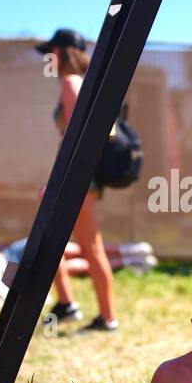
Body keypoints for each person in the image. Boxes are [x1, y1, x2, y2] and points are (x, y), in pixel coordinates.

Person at [36, 28, 118, 332]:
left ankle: (106, 317)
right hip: (79, 180)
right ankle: (69, 304)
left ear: (60, 52)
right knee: (50, 241)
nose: (48, 58)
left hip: (76, 181)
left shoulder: (71, 83)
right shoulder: (79, 83)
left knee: (88, 248)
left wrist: (57, 182)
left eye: (51, 52)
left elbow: (73, 140)